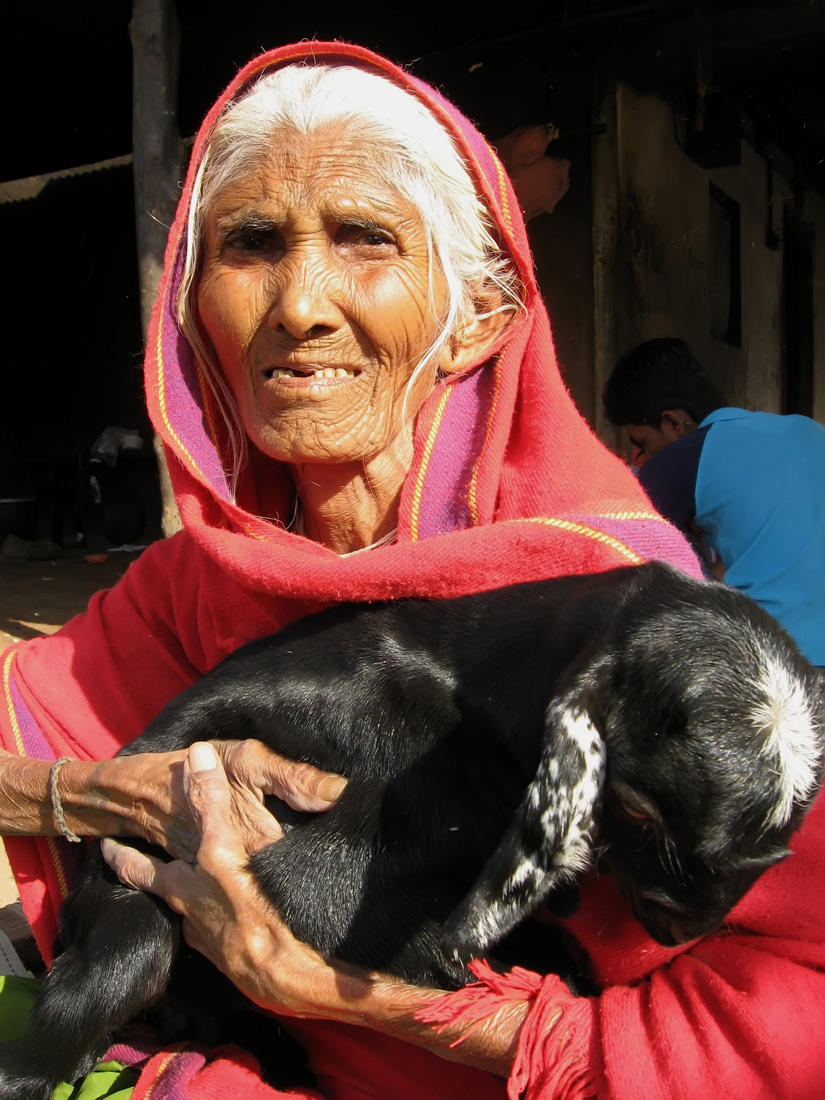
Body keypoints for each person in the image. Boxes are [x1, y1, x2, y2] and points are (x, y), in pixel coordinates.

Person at [0, 42, 822, 1100]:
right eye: (250, 243)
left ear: (477, 309)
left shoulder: (639, 642)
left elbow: (777, 1035)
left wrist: (329, 988)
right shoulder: (205, 575)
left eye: (362, 238)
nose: (299, 301)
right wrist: (101, 788)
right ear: (193, 307)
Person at [604, 336, 825, 667]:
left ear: (673, 422)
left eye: (643, 444)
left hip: (777, 660)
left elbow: (616, 546)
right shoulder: (810, 430)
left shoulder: (691, 454)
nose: (645, 458)